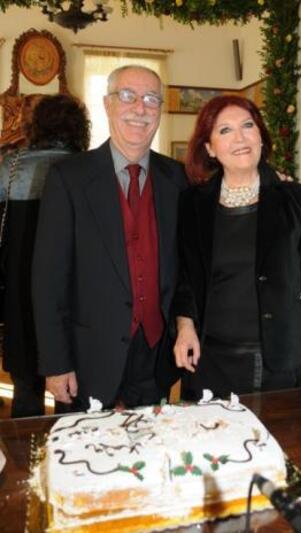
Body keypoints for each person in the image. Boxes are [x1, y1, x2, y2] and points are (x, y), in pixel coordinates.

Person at [32, 65, 187, 411]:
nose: (140, 108)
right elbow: (48, 281)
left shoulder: (177, 178)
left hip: (156, 357)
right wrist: (56, 363)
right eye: (128, 96)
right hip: (87, 360)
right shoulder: (68, 178)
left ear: (160, 110)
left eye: (151, 99)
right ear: (107, 104)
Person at [173, 95, 301, 400]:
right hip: (209, 360)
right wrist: (185, 326)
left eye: (248, 125)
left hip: (278, 362)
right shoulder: (193, 203)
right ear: (210, 148)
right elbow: (185, 276)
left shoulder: (295, 198)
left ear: (261, 136)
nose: (240, 138)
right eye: (225, 130)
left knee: (278, 433)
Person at [0, 94, 90, 417]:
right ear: (79, 128)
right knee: (72, 393)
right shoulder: (87, 168)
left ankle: (25, 449)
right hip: (72, 294)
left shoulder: (9, 167)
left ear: (35, 126)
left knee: (26, 391)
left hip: (19, 291)